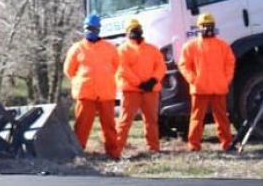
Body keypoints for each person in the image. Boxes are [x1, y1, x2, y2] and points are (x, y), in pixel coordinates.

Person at [64, 13, 121, 159]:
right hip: (85, 94)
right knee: (82, 126)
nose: (91, 30)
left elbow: (117, 66)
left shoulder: (110, 48)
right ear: (84, 28)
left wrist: (104, 78)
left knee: (109, 126)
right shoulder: (77, 48)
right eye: (89, 27)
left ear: (99, 28)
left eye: (94, 28)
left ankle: (113, 153)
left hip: (106, 93)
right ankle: (78, 154)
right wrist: (83, 81)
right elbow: (69, 70)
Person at [178, 12, 236, 151]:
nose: (207, 28)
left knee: (222, 118)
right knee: (197, 118)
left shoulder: (223, 46)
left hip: (218, 88)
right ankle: (194, 145)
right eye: (204, 26)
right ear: (198, 27)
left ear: (214, 26)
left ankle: (227, 143)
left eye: (209, 25)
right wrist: (193, 80)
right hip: (200, 89)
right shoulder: (190, 46)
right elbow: (183, 65)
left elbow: (230, 64)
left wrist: (225, 80)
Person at [116, 17, 166, 154]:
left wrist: (153, 81)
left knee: (151, 121)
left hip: (151, 91)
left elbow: (161, 66)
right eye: (132, 30)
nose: (135, 32)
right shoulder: (122, 50)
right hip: (131, 91)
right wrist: (139, 83)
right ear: (126, 33)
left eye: (137, 29)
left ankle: (154, 149)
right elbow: (122, 69)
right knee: (124, 121)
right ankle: (116, 150)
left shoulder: (153, 49)